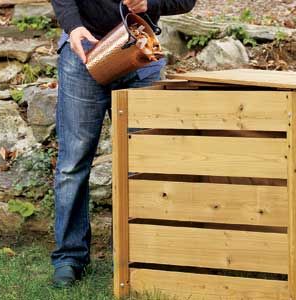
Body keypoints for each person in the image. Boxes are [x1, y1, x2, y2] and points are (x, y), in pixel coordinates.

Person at [50, 0, 197, 288]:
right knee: (72, 164)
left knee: (146, 166)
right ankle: (69, 257)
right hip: (84, 51)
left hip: (140, 55)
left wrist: (149, 2)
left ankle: (142, 256)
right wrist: (74, 26)